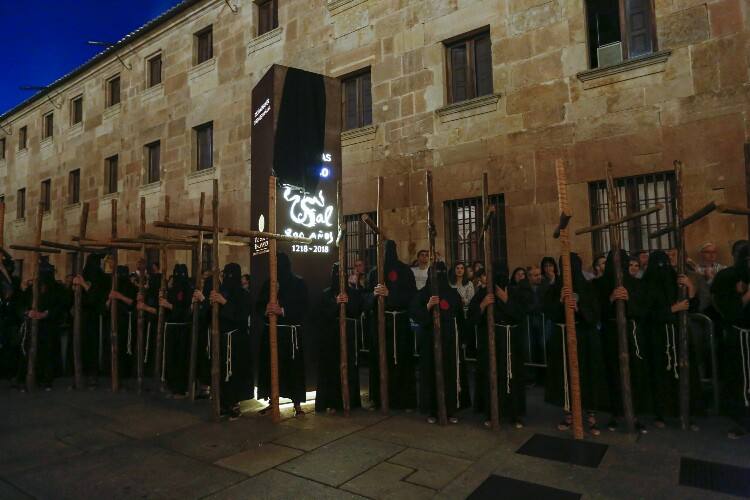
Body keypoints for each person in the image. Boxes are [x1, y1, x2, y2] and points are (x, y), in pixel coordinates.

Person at [544, 253, 607, 435]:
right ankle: (569, 413)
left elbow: (595, 313)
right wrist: (560, 301)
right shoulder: (555, 288)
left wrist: (579, 309)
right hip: (562, 335)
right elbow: (548, 312)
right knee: (566, 375)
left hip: (585, 336)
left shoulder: (588, 288)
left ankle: (591, 416)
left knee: (587, 374)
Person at [641, 250, 702, 430]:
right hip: (658, 337)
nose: (663, 268)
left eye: (666, 264)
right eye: (660, 265)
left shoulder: (676, 281)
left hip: (679, 334)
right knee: (661, 376)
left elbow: (693, 306)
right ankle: (661, 414)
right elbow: (646, 312)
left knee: (685, 374)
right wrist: (672, 310)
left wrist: (690, 288)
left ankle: (687, 414)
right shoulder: (646, 284)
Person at [597, 250, 651, 433]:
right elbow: (596, 310)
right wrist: (611, 299)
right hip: (611, 333)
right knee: (613, 372)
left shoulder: (636, 284)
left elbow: (644, 309)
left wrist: (629, 300)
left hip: (631, 332)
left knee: (635, 373)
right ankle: (615, 413)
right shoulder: (601, 284)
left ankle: (635, 415)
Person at [469, 269, 528, 428]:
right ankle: (491, 412)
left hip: (511, 343)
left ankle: (514, 414)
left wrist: (507, 300)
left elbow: (521, 314)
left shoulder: (514, 292)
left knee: (512, 376)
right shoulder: (483, 293)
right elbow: (472, 316)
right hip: (492, 343)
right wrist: (482, 305)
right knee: (493, 376)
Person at [194, 263, 253, 418]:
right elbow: (211, 314)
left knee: (234, 374)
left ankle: (234, 405)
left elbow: (240, 317)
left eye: (230, 275)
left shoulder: (243, 294)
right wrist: (205, 300)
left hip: (236, 340)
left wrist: (224, 302)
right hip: (221, 339)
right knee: (220, 373)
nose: (227, 279)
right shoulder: (221, 291)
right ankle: (223, 403)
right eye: (225, 275)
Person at [410, 262, 463, 424]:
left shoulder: (452, 294)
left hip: (448, 340)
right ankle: (432, 409)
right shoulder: (422, 293)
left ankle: (450, 409)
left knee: (449, 372)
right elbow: (415, 313)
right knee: (430, 372)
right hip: (429, 339)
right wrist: (428, 306)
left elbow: (459, 316)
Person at [367, 240, 418, 410]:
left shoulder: (405, 271)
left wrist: (390, 294)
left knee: (402, 360)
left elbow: (412, 297)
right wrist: (374, 294)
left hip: (400, 324)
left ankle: (405, 400)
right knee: (379, 360)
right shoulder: (374, 273)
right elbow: (364, 298)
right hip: (381, 323)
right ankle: (378, 398)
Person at [257, 254, 308, 416]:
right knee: (272, 368)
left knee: (292, 370)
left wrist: (282, 310)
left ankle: (297, 404)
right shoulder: (268, 284)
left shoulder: (298, 283)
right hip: (271, 332)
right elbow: (259, 305)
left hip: (289, 335)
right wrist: (266, 309)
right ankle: (273, 401)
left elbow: (304, 307)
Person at [711, 240, 750, 439]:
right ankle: (744, 420)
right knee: (743, 381)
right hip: (741, 335)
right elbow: (731, 311)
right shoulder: (728, 278)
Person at [315, 262, 363, 413]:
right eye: (336, 274)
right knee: (331, 369)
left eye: (341, 275)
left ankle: (350, 401)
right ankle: (331, 402)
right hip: (330, 339)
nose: (339, 278)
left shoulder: (353, 293)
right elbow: (321, 315)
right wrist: (336, 304)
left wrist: (347, 303)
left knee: (348, 367)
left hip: (348, 338)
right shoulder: (326, 294)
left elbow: (356, 311)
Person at [18, 261, 66, 391]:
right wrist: (29, 312)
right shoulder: (32, 288)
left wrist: (45, 314)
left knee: (47, 352)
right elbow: (21, 303)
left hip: (48, 327)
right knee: (30, 351)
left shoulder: (57, 289)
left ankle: (46, 380)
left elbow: (61, 306)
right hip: (33, 326)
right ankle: (28, 378)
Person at [73, 254, 109, 387]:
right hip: (83, 315)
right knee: (81, 343)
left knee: (93, 344)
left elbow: (97, 297)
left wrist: (83, 284)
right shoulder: (86, 274)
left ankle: (93, 373)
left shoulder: (100, 277)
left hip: (95, 316)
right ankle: (81, 372)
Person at [159, 264, 193, 397]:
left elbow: (185, 311)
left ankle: (180, 388)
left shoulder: (187, 289)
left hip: (182, 329)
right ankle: (172, 385)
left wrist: (169, 305)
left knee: (180, 358)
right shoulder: (173, 289)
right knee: (171, 358)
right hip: (172, 327)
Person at [106, 265, 137, 381]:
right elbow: (106, 305)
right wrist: (110, 298)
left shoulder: (131, 287)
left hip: (126, 322)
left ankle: (124, 374)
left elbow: (131, 302)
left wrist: (119, 296)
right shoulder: (113, 286)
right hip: (113, 322)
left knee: (125, 348)